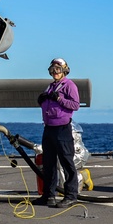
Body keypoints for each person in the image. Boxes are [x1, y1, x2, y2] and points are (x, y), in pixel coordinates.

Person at [33, 58, 81, 209]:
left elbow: (75, 105)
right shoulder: (50, 86)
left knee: (67, 162)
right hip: (49, 128)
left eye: (57, 70)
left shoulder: (69, 85)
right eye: (52, 70)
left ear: (64, 70)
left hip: (62, 129)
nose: (55, 73)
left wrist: (59, 99)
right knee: (49, 163)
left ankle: (71, 196)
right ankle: (49, 195)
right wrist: (42, 100)